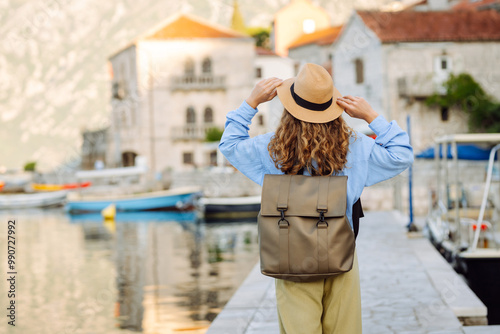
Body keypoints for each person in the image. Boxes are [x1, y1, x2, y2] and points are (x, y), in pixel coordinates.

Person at [219, 63, 413, 333]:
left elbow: (229, 145)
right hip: (340, 253)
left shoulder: (270, 149)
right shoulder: (355, 146)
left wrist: (251, 102)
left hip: (290, 255)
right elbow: (401, 155)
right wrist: (371, 115)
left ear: (290, 108)